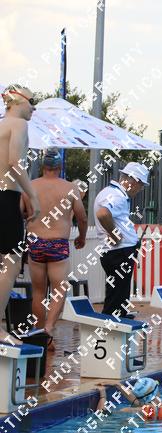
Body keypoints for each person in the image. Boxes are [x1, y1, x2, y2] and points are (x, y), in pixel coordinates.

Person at [20, 149, 87, 351]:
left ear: (43, 166)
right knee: (59, 289)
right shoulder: (70, 188)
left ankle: (40, 334)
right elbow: (82, 217)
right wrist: (82, 237)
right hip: (57, 242)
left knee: (38, 291)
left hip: (35, 242)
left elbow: (21, 212)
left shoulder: (29, 186)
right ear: (60, 167)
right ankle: (48, 329)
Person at [0, 84, 41, 346]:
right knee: (11, 264)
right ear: (18, 101)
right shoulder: (19, 124)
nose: (34, 108)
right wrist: (32, 196)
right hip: (5, 197)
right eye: (32, 102)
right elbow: (14, 161)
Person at [94, 162, 148, 317]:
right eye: (140, 185)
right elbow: (103, 214)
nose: (140, 189)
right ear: (133, 181)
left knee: (118, 292)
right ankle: (112, 323)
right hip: (119, 252)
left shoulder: (110, 192)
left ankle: (120, 317)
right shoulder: (117, 196)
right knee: (117, 293)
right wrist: (115, 235)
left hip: (117, 252)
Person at [95, 377, 162, 414]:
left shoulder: (133, 410)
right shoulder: (159, 405)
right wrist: (118, 385)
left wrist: (103, 397)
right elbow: (136, 400)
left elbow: (102, 413)